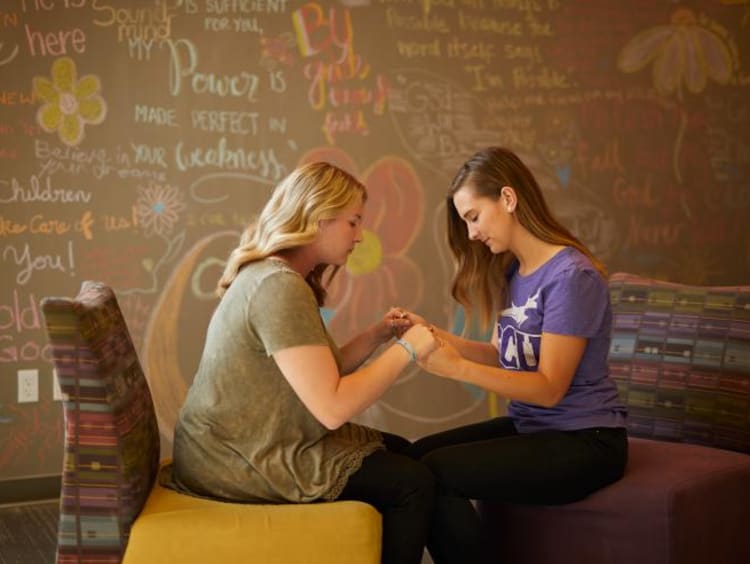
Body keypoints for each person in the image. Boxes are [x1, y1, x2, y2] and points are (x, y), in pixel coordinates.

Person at [171, 162, 439, 564]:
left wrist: (379, 335)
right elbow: (332, 408)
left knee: (406, 454)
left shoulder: (276, 277)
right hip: (233, 461)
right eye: (353, 222)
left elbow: (319, 372)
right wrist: (409, 350)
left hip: (231, 447)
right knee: (412, 483)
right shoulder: (277, 286)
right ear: (317, 218)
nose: (360, 236)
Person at [401, 147, 628, 564]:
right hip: (535, 428)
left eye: (473, 217)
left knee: (436, 474)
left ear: (507, 199)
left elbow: (547, 388)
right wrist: (433, 335)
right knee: (413, 460)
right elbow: (499, 353)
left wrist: (457, 369)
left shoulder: (571, 277)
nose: (471, 234)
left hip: (585, 442)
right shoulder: (514, 271)